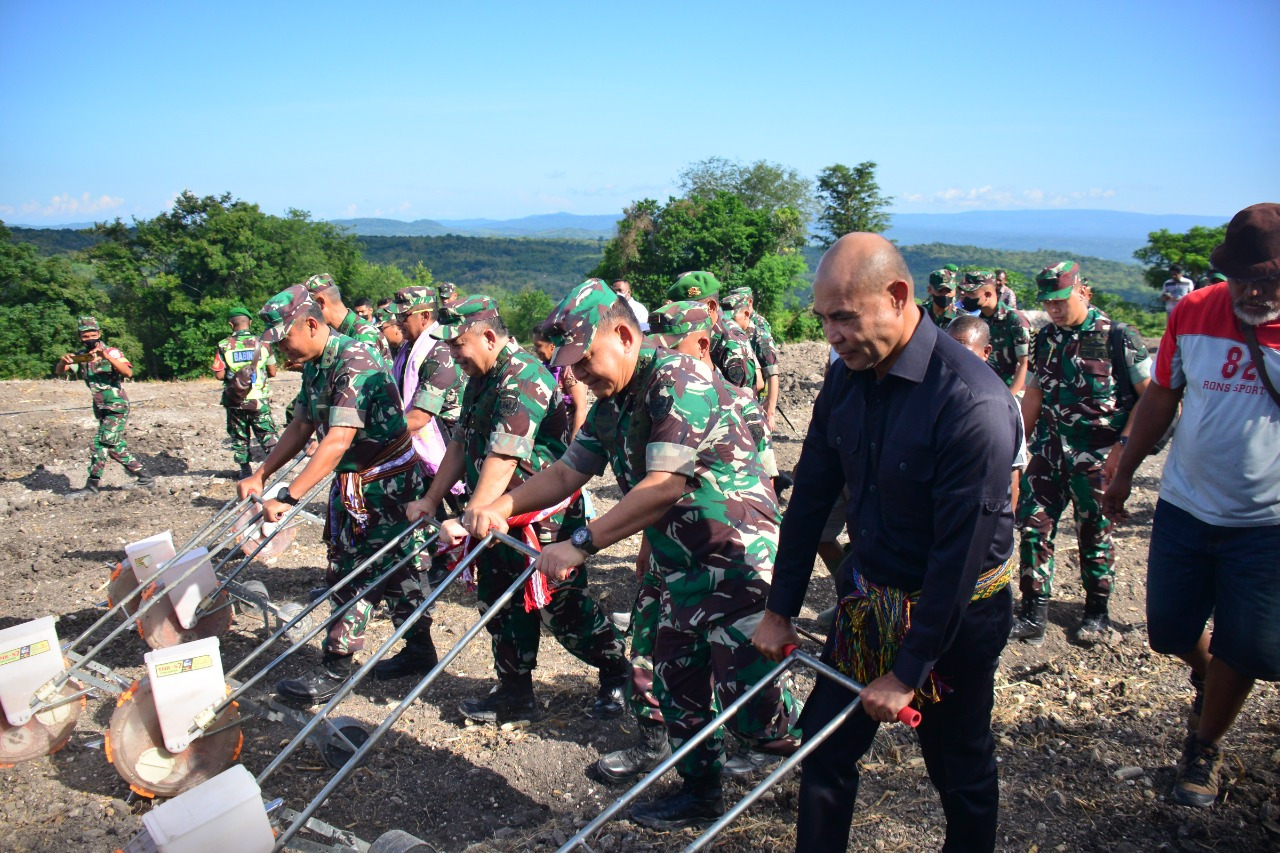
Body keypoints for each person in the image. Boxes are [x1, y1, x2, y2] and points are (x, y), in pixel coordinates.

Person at [462, 279, 801, 829]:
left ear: (623, 335)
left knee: (752, 693)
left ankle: (798, 780)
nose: (576, 375)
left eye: (585, 359)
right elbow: (568, 471)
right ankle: (700, 793)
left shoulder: (676, 379)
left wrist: (579, 544)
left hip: (734, 558)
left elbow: (664, 485)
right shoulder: (610, 403)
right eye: (570, 364)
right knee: (676, 682)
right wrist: (502, 506)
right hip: (678, 563)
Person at [752, 233, 1020, 853]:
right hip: (869, 599)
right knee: (824, 747)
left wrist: (907, 671)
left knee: (958, 768)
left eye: (844, 317)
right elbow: (812, 498)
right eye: (824, 320)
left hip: (955, 616)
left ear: (897, 297)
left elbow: (959, 558)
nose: (832, 335)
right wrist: (779, 607)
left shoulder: (971, 403)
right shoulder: (846, 377)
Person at [1103, 202, 1280, 809]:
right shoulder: (1194, 310)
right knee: (1169, 629)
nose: (1255, 291)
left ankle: (1204, 745)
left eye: (1269, 279)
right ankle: (1209, 672)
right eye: (1244, 277)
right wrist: (1124, 469)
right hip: (1185, 505)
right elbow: (1161, 397)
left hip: (1268, 522)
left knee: (1248, 646)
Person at [403, 295, 628, 725]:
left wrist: (471, 513)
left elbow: (505, 457)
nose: (453, 355)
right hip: (496, 512)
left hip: (543, 516)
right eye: (448, 346)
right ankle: (514, 690)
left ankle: (615, 668)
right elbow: (460, 442)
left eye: (458, 345)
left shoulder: (524, 377)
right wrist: (433, 499)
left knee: (560, 607)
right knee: (498, 598)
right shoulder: (480, 377)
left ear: (488, 336)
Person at [238, 285, 436, 702]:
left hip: (386, 485)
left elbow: (337, 440)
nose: (279, 353)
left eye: (283, 340)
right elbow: (302, 425)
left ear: (311, 324)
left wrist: (289, 497)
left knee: (354, 573)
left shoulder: (354, 360)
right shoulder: (314, 364)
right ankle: (420, 651)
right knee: (398, 571)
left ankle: (336, 668)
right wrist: (262, 473)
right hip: (357, 482)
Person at [1011, 262, 1152, 646]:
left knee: (1094, 533)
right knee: (1034, 525)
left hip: (1098, 456)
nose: (1055, 308)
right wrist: (1019, 444)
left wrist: (1123, 448)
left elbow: (1150, 398)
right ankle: (1033, 610)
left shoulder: (1118, 337)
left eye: (1061, 299)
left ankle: (1096, 612)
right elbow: (1036, 393)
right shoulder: (1045, 339)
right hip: (1050, 452)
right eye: (1048, 302)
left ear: (1082, 292)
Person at [57, 316, 155, 495]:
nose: (89, 339)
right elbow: (61, 371)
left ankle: (95, 486)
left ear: (99, 333)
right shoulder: (82, 356)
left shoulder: (112, 352)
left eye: (92, 335)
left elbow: (128, 372)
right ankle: (142, 478)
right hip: (101, 408)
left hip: (116, 405)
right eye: (85, 336)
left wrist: (106, 357)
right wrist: (63, 362)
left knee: (103, 445)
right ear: (80, 336)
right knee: (109, 447)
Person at [949, 314, 1029, 508]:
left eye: (964, 348)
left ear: (986, 352)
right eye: (950, 348)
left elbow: (1013, 474)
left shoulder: (1003, 404)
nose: (955, 357)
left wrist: (1009, 527)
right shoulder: (930, 396)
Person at [211, 306, 279, 479]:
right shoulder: (263, 343)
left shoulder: (224, 345)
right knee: (267, 434)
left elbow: (219, 374)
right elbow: (273, 372)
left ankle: (245, 471)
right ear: (250, 322)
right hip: (259, 400)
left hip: (235, 400)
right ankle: (275, 469)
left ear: (230, 325)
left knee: (239, 436)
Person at [666, 271, 761, 393]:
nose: (679, 316)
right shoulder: (681, 334)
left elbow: (739, 404)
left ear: (710, 307)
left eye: (687, 310)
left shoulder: (734, 347)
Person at [958, 270, 1032, 395]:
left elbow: (1024, 364)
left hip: (1014, 391)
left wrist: (1010, 398)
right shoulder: (979, 322)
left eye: (971, 293)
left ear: (987, 294)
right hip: (989, 390)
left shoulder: (1014, 320)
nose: (966, 297)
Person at [721, 286, 781, 429]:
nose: (729, 323)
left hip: (754, 399)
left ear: (746, 314)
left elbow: (772, 374)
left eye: (733, 319)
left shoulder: (760, 336)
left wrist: (770, 411)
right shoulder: (728, 335)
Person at [304, 273, 391, 361]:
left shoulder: (364, 336)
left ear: (321, 303)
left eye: (308, 309)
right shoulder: (333, 334)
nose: (307, 315)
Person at [530, 323, 589, 444]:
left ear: (552, 345)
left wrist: (574, 444)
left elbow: (581, 407)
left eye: (538, 346)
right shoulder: (544, 367)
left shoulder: (567, 368)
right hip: (550, 438)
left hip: (566, 439)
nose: (535, 350)